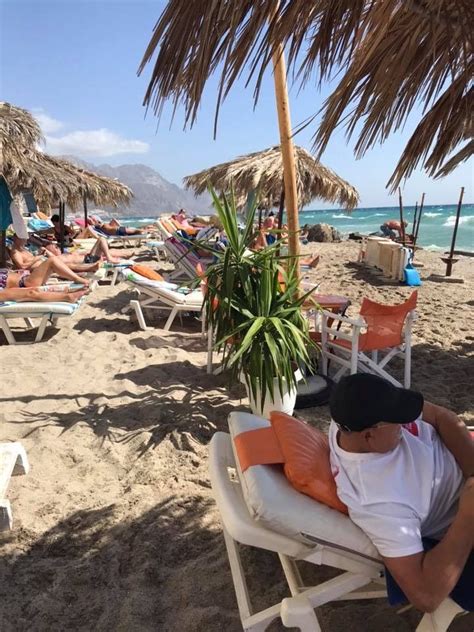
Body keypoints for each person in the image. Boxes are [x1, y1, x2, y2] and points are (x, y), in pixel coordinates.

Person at [328, 373, 473, 614]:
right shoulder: (377, 503)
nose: (404, 426)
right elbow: (426, 597)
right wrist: (468, 515)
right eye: (397, 423)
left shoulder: (352, 415)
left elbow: (442, 417)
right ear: (369, 435)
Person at [8, 235, 102, 274]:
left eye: (25, 238)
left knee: (64, 264)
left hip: (43, 263)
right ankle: (90, 268)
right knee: (66, 265)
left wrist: (40, 255)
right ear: (16, 239)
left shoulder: (22, 249)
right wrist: (38, 257)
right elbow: (22, 266)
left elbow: (31, 259)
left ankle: (90, 266)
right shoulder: (15, 252)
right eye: (23, 238)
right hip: (38, 269)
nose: (25, 240)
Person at [0, 256, 92, 290]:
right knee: (51, 261)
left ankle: (76, 276)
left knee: (53, 263)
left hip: (27, 279)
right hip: (26, 283)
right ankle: (77, 279)